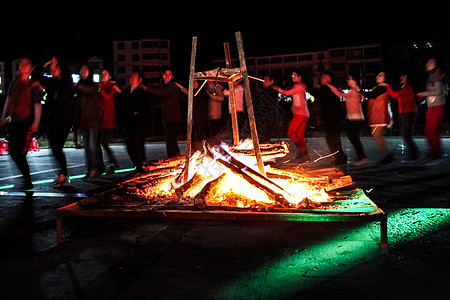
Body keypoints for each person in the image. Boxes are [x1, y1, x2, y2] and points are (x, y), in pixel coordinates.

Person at [0, 57, 43, 191]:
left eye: (26, 65)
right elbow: (8, 101)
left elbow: (37, 105)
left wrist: (36, 122)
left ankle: (28, 180)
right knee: (13, 151)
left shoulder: (33, 85)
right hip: (14, 122)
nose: (23, 67)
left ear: (30, 69)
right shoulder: (15, 84)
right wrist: (3, 118)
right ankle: (26, 179)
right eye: (22, 64)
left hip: (26, 122)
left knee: (21, 153)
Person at [42, 56, 75, 187]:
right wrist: (47, 63)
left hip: (64, 119)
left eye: (54, 66)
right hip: (53, 118)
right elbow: (37, 74)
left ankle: (64, 175)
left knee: (56, 148)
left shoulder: (67, 83)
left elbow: (67, 98)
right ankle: (63, 174)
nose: (52, 69)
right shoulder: (51, 83)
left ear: (60, 68)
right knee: (54, 148)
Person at [350, 71, 394, 164]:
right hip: (377, 115)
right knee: (377, 136)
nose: (378, 76)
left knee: (377, 136)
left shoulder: (383, 87)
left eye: (381, 75)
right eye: (378, 75)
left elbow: (371, 95)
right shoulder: (379, 88)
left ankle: (388, 155)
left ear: (385, 78)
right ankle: (387, 155)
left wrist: (359, 90)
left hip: (380, 116)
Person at [328, 75, 368, 164]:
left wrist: (331, 86)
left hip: (356, 118)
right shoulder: (353, 91)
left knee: (353, 137)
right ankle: (361, 155)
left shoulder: (355, 90)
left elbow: (340, 95)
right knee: (352, 136)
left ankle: (362, 155)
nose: (348, 81)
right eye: (348, 80)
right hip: (352, 117)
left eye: (350, 79)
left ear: (355, 80)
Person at [144, 69, 184, 157]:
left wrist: (145, 88)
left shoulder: (173, 86)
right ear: (163, 76)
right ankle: (176, 159)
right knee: (171, 142)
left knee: (171, 142)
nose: (167, 76)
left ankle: (174, 160)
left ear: (172, 77)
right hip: (167, 118)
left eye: (169, 74)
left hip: (173, 118)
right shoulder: (166, 87)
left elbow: (161, 93)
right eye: (165, 74)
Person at [311, 71, 347, 165]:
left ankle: (340, 158)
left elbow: (319, 96)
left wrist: (309, 88)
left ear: (328, 79)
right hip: (334, 117)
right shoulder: (331, 88)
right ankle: (340, 157)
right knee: (333, 138)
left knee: (332, 138)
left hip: (332, 118)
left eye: (323, 78)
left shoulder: (328, 88)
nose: (321, 80)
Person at [273, 72, 310, 162]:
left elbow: (286, 93)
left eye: (294, 75)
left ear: (299, 77)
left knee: (290, 133)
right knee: (300, 135)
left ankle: (303, 152)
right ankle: (305, 154)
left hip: (300, 114)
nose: (292, 77)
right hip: (305, 114)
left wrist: (277, 88)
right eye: (292, 75)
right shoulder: (301, 87)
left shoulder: (298, 87)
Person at [417, 58, 446, 163]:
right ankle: (433, 153)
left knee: (431, 131)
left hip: (437, 106)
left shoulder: (435, 75)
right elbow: (433, 91)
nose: (428, 64)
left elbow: (438, 91)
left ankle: (436, 155)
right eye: (428, 62)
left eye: (431, 62)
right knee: (429, 131)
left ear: (435, 65)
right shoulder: (431, 75)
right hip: (433, 106)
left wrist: (422, 94)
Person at [76, 64, 101, 179]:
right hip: (83, 120)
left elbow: (91, 91)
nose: (83, 72)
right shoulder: (79, 88)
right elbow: (77, 106)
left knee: (92, 145)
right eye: (81, 70)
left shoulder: (93, 85)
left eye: (85, 70)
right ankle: (89, 169)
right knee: (86, 147)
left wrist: (78, 86)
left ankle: (95, 169)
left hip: (93, 120)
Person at [387, 73, 419, 161]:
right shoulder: (405, 88)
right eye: (401, 77)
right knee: (406, 135)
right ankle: (414, 154)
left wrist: (387, 87)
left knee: (406, 135)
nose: (401, 78)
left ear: (407, 78)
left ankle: (415, 154)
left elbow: (395, 95)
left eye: (403, 77)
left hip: (408, 113)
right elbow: (400, 98)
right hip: (405, 113)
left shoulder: (407, 88)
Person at [124, 71, 150, 170]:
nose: (132, 79)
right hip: (129, 124)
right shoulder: (127, 92)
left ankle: (141, 166)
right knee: (129, 146)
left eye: (135, 77)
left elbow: (144, 108)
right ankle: (137, 164)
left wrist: (137, 113)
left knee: (138, 146)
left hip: (139, 124)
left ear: (140, 80)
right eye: (131, 77)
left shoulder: (141, 92)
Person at [98, 69, 121, 173]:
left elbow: (107, 98)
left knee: (104, 143)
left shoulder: (111, 87)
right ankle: (102, 165)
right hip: (100, 119)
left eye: (105, 74)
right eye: (102, 74)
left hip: (108, 120)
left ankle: (113, 162)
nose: (103, 76)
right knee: (98, 143)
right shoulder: (101, 87)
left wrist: (101, 87)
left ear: (110, 76)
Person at [206, 80, 225, 146]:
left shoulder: (217, 89)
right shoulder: (206, 89)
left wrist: (212, 96)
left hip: (215, 113)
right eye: (207, 82)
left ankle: (216, 145)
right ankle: (212, 145)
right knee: (210, 131)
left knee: (215, 131)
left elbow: (221, 98)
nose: (208, 83)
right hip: (208, 114)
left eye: (210, 81)